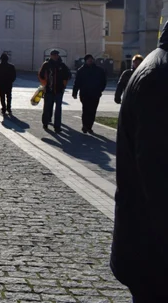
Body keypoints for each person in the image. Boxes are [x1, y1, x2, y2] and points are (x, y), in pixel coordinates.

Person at [111, 21, 168, 301]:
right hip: (153, 247)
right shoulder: (159, 77)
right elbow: (158, 173)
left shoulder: (157, 68)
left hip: (147, 243)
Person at [72, 54, 107, 134]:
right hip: (85, 94)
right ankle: (85, 125)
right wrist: (75, 92)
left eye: (91, 59)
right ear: (86, 61)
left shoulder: (99, 70)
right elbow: (77, 82)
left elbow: (103, 81)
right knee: (85, 110)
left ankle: (89, 126)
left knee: (93, 111)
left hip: (95, 93)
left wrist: (100, 90)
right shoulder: (81, 70)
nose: (90, 60)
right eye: (88, 59)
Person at [38, 49, 71, 133]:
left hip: (59, 90)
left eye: (56, 55)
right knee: (47, 107)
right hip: (49, 90)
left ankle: (57, 126)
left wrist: (64, 85)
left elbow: (67, 75)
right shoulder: (46, 65)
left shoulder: (62, 65)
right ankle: (45, 123)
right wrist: (44, 85)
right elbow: (41, 75)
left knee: (58, 109)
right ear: (51, 56)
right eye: (54, 55)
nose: (55, 56)